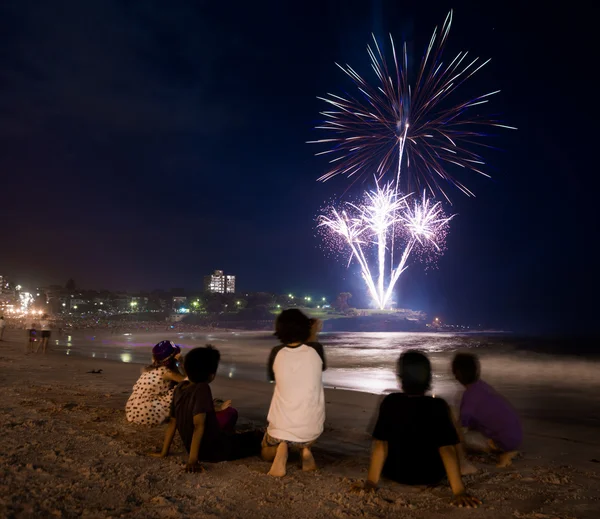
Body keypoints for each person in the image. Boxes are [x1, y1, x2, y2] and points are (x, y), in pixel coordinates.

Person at [355, 350, 480, 508]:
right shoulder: (438, 406)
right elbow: (446, 449)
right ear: (428, 378)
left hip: (395, 473)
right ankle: (463, 464)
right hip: (431, 475)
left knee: (384, 438)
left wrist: (371, 482)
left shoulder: (390, 402)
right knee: (448, 426)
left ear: (401, 378)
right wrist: (459, 491)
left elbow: (380, 446)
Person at [151, 346, 261, 472]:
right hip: (214, 451)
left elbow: (172, 422)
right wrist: (193, 460)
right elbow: (199, 425)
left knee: (239, 437)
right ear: (211, 375)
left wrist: (164, 452)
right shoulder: (202, 389)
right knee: (255, 438)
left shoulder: (180, 388)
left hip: (198, 448)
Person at [262, 310, 326, 477]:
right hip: (311, 430)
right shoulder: (316, 350)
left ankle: (282, 448)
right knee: (305, 425)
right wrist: (313, 333)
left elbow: (272, 378)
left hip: (280, 427)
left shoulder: (277, 352)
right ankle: (305, 449)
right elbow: (312, 354)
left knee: (266, 451)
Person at [452, 353, 522, 468]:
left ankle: (503, 452)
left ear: (458, 374)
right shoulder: (483, 387)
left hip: (505, 442)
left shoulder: (469, 397)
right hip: (516, 435)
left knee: (460, 438)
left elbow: (461, 429)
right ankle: (505, 448)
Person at [126, 341, 186, 425]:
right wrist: (181, 362)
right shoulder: (166, 372)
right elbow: (187, 379)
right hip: (147, 413)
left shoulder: (149, 369)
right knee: (182, 387)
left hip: (133, 410)